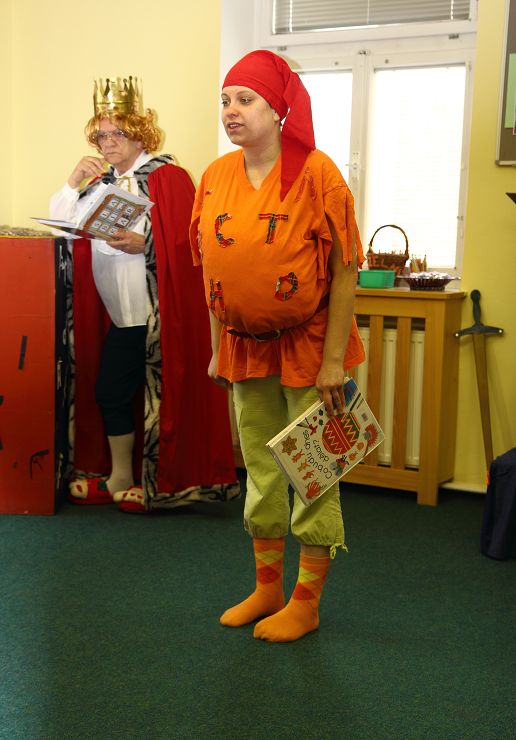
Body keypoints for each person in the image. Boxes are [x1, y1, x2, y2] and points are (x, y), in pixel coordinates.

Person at [189, 51, 365, 642]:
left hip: (310, 347)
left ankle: (305, 603)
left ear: (278, 110)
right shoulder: (216, 175)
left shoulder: (317, 173)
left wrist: (334, 361)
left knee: (313, 468)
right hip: (244, 347)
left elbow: (346, 270)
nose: (231, 111)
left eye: (246, 100)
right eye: (225, 100)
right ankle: (267, 588)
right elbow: (212, 271)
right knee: (262, 468)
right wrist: (217, 346)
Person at [50, 76, 239, 513]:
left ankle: (153, 481)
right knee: (116, 393)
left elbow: (191, 243)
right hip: (116, 313)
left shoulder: (167, 177)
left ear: (141, 134)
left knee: (125, 392)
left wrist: (146, 243)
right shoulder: (100, 183)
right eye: (101, 136)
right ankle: (122, 475)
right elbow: (64, 226)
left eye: (117, 133)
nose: (108, 143)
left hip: (153, 314)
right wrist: (73, 180)